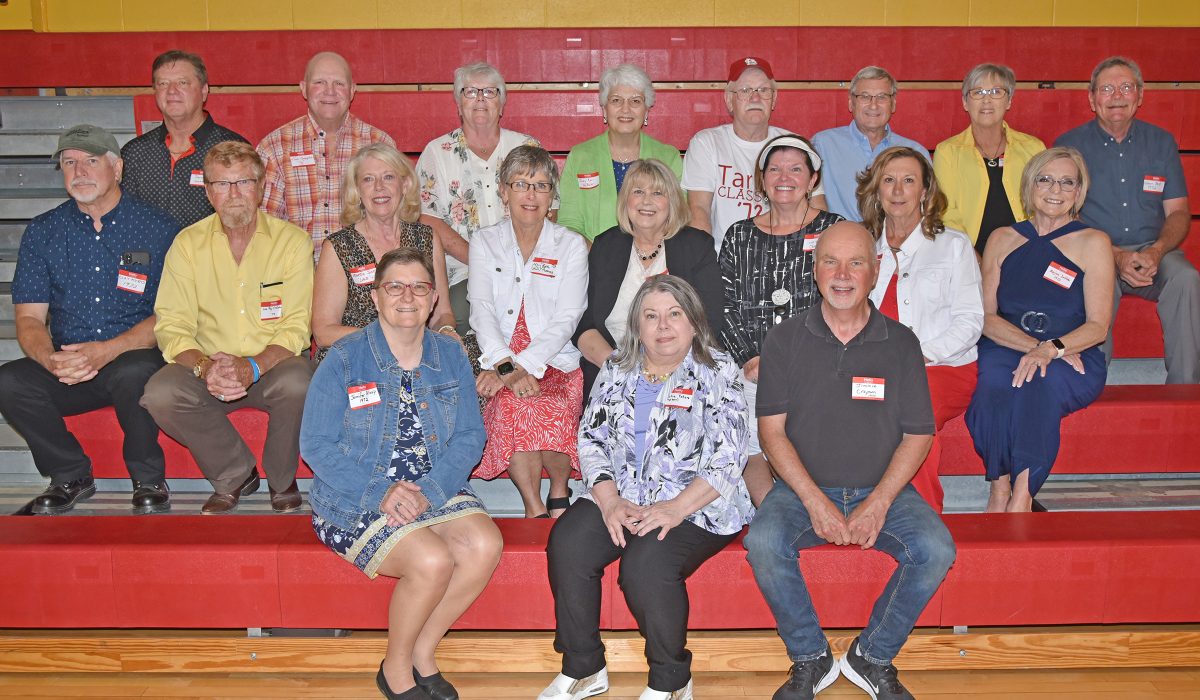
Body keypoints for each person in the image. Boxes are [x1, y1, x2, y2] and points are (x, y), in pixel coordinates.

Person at [745, 221, 955, 700]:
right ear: (813, 269)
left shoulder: (901, 343)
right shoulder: (783, 339)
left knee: (937, 550)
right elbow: (771, 434)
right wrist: (815, 502)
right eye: (830, 262)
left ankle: (871, 657)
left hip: (882, 488)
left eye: (856, 262)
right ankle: (810, 658)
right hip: (801, 490)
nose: (842, 274)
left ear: (875, 270)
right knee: (764, 542)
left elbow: (919, 434)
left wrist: (879, 503)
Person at [301, 247, 500, 700]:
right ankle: (395, 668)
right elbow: (315, 445)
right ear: (375, 297)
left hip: (433, 486)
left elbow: (470, 436)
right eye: (395, 286)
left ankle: (422, 652)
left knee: (486, 543)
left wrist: (429, 490)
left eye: (419, 287)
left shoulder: (450, 354)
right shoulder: (345, 358)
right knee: (432, 560)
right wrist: (381, 493)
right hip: (356, 493)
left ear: (433, 300)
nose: (407, 296)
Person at [542, 275, 752, 700]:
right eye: (651, 316)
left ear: (694, 321)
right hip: (622, 493)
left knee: (646, 564)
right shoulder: (618, 366)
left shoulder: (719, 369)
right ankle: (584, 667)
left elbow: (729, 456)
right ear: (636, 325)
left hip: (699, 504)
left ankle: (672, 681)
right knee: (568, 543)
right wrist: (608, 501)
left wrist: (676, 508)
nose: (663, 326)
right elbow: (592, 438)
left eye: (675, 314)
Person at [0, 124, 178, 515]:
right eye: (69, 162)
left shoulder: (159, 229)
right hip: (70, 363)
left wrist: (107, 351)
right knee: (9, 380)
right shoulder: (43, 231)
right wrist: (50, 360)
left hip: (132, 354)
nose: (79, 171)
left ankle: (148, 478)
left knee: (135, 373)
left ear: (117, 168)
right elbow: (29, 317)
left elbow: (170, 315)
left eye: (91, 161)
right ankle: (69, 474)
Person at [141, 141, 314, 515]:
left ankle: (282, 479)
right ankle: (235, 474)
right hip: (207, 369)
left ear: (262, 186)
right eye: (222, 184)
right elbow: (172, 324)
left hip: (271, 367)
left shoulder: (292, 243)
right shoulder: (187, 244)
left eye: (244, 182)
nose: (234, 194)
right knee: (160, 392)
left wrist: (251, 367)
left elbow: (296, 327)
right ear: (208, 191)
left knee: (300, 380)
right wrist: (206, 367)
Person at [967, 147, 1115, 512]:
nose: (1055, 189)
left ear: (1079, 191)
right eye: (1046, 179)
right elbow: (984, 316)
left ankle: (1022, 494)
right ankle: (999, 488)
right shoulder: (1001, 238)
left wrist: (1053, 349)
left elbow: (1098, 326)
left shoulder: (1094, 242)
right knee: (991, 385)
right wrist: (1036, 345)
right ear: (1030, 185)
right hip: (1005, 343)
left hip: (1071, 354)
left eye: (1067, 182)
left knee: (1038, 382)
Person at [719, 134, 844, 506]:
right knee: (748, 442)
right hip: (753, 367)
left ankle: (812, 505)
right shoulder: (739, 235)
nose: (784, 177)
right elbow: (723, 306)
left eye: (795, 169)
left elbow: (848, 298)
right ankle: (770, 512)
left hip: (820, 363)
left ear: (812, 179)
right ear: (762, 178)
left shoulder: (835, 230)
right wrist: (751, 358)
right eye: (774, 168)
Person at [1055, 56, 1196, 384]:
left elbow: (1177, 212)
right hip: (1095, 253)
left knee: (1187, 279)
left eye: (1125, 87)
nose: (1116, 95)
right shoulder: (1069, 146)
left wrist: (1157, 252)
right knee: (1089, 283)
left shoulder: (1161, 142)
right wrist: (1114, 255)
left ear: (1140, 95)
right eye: (1106, 88)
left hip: (1154, 253)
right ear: (1092, 99)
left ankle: (1186, 391)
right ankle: (1089, 385)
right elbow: (1062, 216)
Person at [859, 146, 984, 513]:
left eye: (909, 181)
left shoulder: (953, 245)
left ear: (925, 191)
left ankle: (922, 516)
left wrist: (915, 357)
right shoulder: (863, 247)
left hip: (942, 368)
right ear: (877, 190)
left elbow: (970, 321)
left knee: (912, 409)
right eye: (889, 180)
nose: (898, 190)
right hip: (875, 370)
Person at [468, 146, 589, 519]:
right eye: (521, 184)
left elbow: (569, 316)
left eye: (540, 185)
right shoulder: (484, 241)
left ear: (553, 194)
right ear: (504, 191)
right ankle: (534, 507)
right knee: (511, 404)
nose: (531, 195)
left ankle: (558, 488)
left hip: (555, 358)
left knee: (550, 405)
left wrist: (521, 366)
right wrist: (506, 367)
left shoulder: (570, 244)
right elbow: (481, 310)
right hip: (498, 355)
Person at [575, 159, 722, 398]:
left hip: (680, 375)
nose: (646, 201)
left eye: (657, 193)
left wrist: (663, 372)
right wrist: (619, 370)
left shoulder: (697, 247)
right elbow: (584, 323)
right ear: (626, 201)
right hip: (613, 373)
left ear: (672, 202)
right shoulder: (605, 246)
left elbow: (710, 322)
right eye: (638, 192)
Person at [416, 62, 542, 335]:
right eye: (470, 92)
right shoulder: (437, 152)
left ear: (502, 104)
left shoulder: (527, 147)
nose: (481, 99)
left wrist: (514, 264)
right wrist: (482, 260)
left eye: (490, 92)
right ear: (458, 104)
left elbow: (548, 210)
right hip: (464, 272)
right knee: (462, 316)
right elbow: (428, 219)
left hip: (525, 268)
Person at [312, 143, 456, 362]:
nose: (379, 187)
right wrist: (390, 338)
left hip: (418, 352)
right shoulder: (338, 247)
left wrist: (445, 330)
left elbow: (441, 313)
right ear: (357, 191)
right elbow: (324, 333)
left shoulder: (428, 238)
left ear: (405, 184)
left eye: (388, 177)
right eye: (368, 179)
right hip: (357, 355)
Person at [257, 51, 395, 258]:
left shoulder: (379, 144)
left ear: (352, 90)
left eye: (339, 83)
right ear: (303, 89)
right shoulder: (274, 147)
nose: (330, 92)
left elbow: (395, 221)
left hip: (366, 273)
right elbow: (266, 226)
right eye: (319, 82)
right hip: (298, 274)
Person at [681, 56, 827, 252]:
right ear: (729, 100)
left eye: (763, 90)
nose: (755, 98)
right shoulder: (707, 143)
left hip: (789, 256)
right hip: (724, 260)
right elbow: (699, 211)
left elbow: (818, 210)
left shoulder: (794, 145)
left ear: (774, 99)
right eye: (744, 90)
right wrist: (703, 265)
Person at [120, 49, 249, 229]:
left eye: (182, 82)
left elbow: (245, 222)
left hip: (210, 257)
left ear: (204, 91)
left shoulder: (233, 149)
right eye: (163, 83)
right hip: (150, 257)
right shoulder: (134, 153)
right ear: (155, 92)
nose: (172, 91)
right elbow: (123, 219)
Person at [558, 64, 683, 242]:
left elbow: (677, 218)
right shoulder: (580, 156)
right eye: (616, 100)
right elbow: (569, 224)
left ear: (646, 110)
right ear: (604, 109)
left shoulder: (668, 157)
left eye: (635, 101)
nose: (626, 109)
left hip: (655, 262)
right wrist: (600, 258)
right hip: (592, 262)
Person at [933, 63, 1046, 254]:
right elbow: (945, 213)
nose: (986, 100)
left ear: (1009, 101)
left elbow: (1043, 205)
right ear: (965, 102)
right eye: (977, 92)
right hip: (966, 254)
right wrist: (973, 259)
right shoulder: (947, 152)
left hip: (1028, 250)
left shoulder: (1033, 148)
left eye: (996, 91)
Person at [812, 66, 930, 222]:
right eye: (865, 96)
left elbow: (928, 207)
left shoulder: (916, 152)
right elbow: (811, 204)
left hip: (900, 242)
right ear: (851, 103)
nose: (873, 105)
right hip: (842, 241)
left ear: (893, 104)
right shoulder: (822, 145)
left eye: (882, 97)